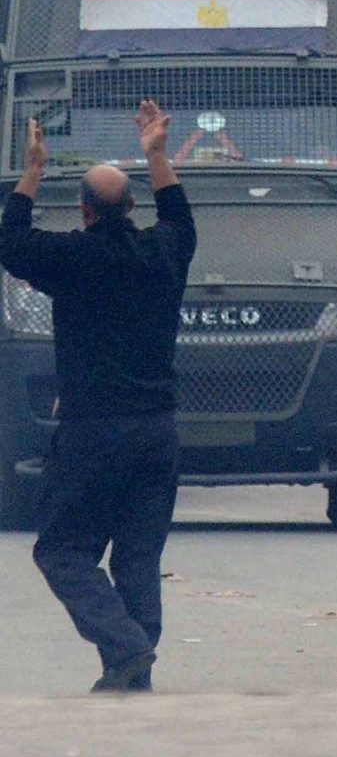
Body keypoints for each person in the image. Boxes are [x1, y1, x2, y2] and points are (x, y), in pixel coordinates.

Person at [1, 101, 194, 693]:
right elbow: (179, 215)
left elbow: (11, 240)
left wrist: (33, 169)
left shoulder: (71, 257)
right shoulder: (164, 253)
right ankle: (131, 667)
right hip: (157, 431)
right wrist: (156, 155)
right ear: (133, 208)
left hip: (93, 432)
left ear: (84, 213)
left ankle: (126, 646)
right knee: (137, 556)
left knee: (62, 551)